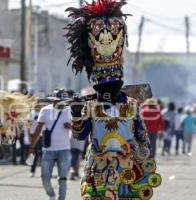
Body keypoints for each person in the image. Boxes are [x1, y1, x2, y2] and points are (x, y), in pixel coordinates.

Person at [65, 1, 161, 199]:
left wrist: (141, 157)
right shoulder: (91, 107)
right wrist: (76, 114)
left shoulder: (131, 106)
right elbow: (79, 136)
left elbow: (143, 138)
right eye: (105, 83)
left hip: (127, 171)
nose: (109, 86)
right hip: (98, 170)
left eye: (113, 83)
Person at [30, 89, 72, 200]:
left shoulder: (69, 111)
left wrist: (71, 127)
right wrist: (31, 146)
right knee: (45, 178)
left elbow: (79, 129)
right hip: (48, 150)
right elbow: (38, 130)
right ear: (54, 100)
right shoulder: (45, 111)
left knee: (62, 178)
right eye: (59, 101)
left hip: (64, 149)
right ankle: (51, 194)